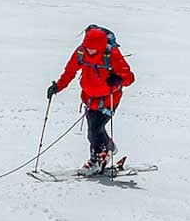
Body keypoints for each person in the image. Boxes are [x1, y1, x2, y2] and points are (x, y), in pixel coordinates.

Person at [47, 25, 134, 172]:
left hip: (109, 99)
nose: (90, 51)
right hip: (90, 99)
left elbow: (129, 78)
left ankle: (96, 161)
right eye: (88, 48)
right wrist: (58, 87)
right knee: (93, 131)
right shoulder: (81, 51)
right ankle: (107, 150)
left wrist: (118, 79)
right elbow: (70, 71)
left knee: (95, 129)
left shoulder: (111, 53)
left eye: (93, 49)